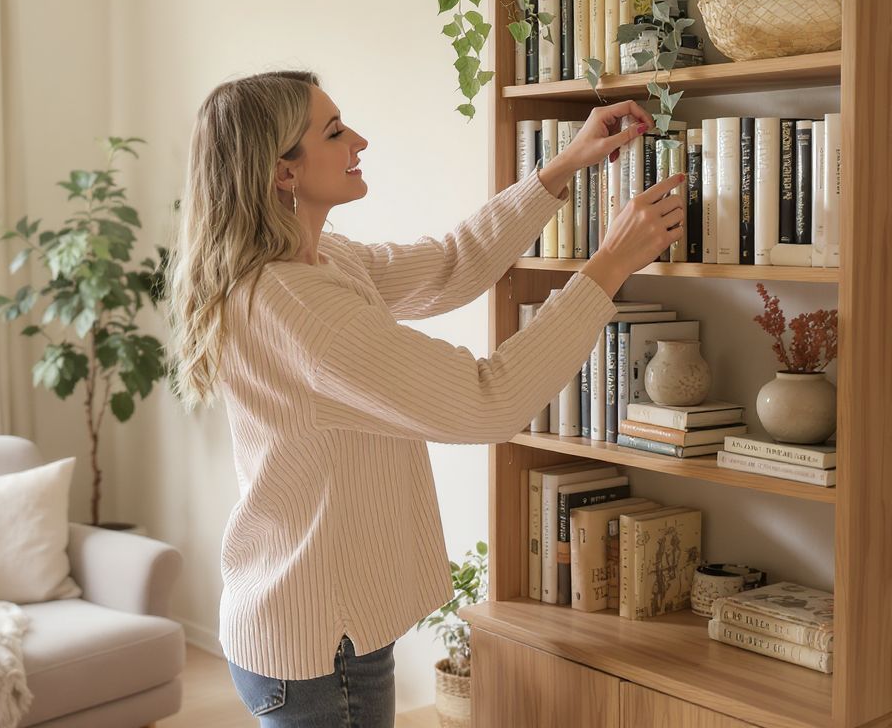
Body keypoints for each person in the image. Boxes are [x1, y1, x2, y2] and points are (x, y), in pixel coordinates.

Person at [165, 70, 685, 726]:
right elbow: (488, 400)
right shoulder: (297, 305)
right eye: (334, 132)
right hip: (321, 644)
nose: (359, 141)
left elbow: (451, 264)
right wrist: (608, 265)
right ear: (282, 172)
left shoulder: (317, 263)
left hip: (312, 625)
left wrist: (563, 166)